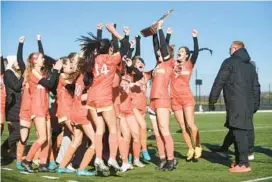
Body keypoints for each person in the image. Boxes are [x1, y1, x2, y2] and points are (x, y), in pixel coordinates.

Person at [209, 41, 260, 173]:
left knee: (239, 133)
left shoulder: (229, 62)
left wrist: (212, 100)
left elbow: (219, 80)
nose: (229, 50)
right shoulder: (250, 66)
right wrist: (255, 104)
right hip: (247, 105)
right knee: (238, 131)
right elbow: (256, 87)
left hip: (235, 103)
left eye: (230, 48)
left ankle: (244, 164)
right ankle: (239, 161)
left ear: (236, 48)